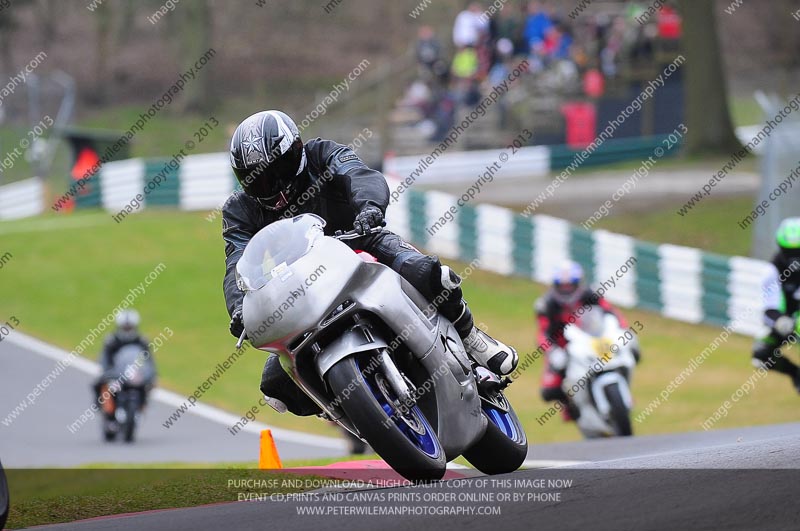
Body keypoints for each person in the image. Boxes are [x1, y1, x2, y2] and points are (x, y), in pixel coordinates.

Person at [222, 110, 518, 415]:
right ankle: (348, 409)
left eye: (277, 171)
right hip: (303, 282)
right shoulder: (239, 209)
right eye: (257, 179)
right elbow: (236, 261)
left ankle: (472, 338)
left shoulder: (321, 154)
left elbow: (360, 175)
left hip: (360, 239)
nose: (271, 187)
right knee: (276, 386)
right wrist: (238, 308)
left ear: (296, 152)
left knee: (430, 275)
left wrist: (369, 208)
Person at [535, 261, 637, 419]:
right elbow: (543, 333)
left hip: (592, 339)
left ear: (578, 283)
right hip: (564, 348)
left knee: (632, 349)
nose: (566, 289)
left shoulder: (591, 295)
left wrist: (623, 329)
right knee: (550, 389)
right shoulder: (547, 305)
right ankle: (571, 408)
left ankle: (624, 395)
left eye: (570, 285)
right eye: (562, 286)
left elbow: (611, 313)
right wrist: (552, 351)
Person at [751, 218, 800, 393]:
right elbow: (768, 310)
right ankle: (795, 373)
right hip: (789, 322)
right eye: (790, 251)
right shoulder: (771, 271)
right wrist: (780, 321)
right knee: (760, 355)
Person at [94, 310, 151, 416]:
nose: (127, 330)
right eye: (125, 327)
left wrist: (150, 374)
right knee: (100, 384)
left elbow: (148, 360)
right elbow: (105, 358)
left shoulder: (141, 341)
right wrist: (107, 371)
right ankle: (102, 407)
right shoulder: (112, 340)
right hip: (116, 373)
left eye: (129, 327)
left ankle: (142, 407)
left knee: (147, 386)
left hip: (134, 374)